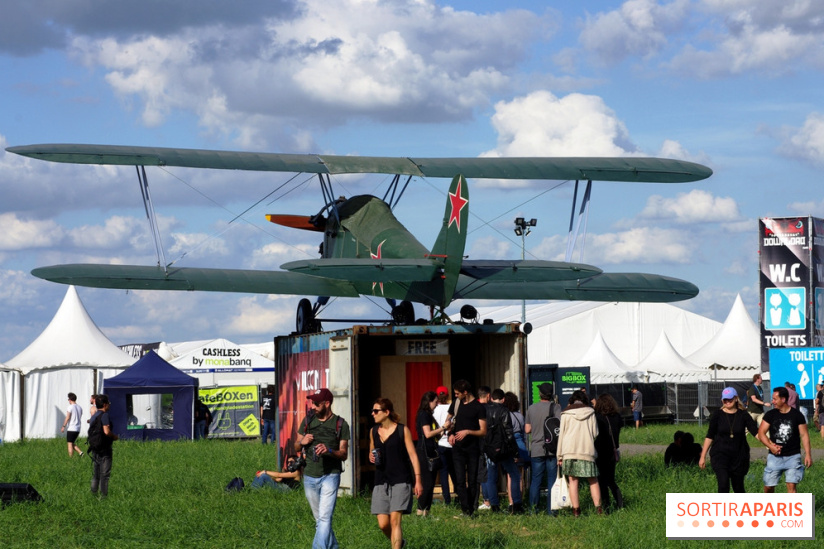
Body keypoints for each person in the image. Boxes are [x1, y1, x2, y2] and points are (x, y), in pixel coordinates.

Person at [295, 388, 350, 549]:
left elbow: (344, 454)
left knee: (325, 518)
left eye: (316, 403)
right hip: (310, 476)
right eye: (312, 403)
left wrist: (330, 451)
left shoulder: (341, 424)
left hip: (330, 476)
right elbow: (296, 445)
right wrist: (302, 442)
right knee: (320, 520)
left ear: (327, 404)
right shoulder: (307, 421)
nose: (312, 406)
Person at [369, 398, 423, 549]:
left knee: (395, 521)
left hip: (401, 479)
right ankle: (401, 543)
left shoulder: (402, 430)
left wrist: (417, 480)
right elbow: (371, 450)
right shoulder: (373, 431)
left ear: (386, 412)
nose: (372, 414)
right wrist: (370, 456)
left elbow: (413, 455)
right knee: (383, 524)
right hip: (380, 481)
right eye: (372, 411)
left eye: (376, 411)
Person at [698, 387, 759, 493]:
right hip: (720, 455)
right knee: (723, 484)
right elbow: (710, 436)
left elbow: (756, 433)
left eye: (730, 399)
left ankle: (740, 509)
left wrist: (771, 444)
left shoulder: (743, 415)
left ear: (736, 399)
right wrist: (703, 456)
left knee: (738, 488)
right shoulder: (717, 415)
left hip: (739, 456)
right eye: (725, 399)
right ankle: (723, 509)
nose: (727, 402)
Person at [756, 386, 813, 493]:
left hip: (793, 456)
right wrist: (770, 446)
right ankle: (769, 507)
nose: (772, 402)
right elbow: (761, 433)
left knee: (791, 486)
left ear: (783, 399)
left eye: (775, 399)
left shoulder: (797, 415)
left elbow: (804, 435)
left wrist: (808, 454)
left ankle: (791, 509)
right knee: (768, 486)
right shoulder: (770, 415)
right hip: (774, 457)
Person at [444, 379, 487, 518]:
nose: (455, 396)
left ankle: (473, 509)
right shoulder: (456, 404)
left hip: (473, 448)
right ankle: (465, 509)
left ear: (465, 392)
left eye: (457, 394)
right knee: (460, 480)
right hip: (458, 448)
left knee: (473, 480)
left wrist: (468, 432)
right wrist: (449, 433)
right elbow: (448, 420)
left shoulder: (478, 407)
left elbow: (483, 431)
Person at [557, 390, 602, 517]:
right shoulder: (591, 412)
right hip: (587, 451)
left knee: (573, 481)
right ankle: (599, 509)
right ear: (585, 400)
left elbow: (561, 436)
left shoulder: (565, 413)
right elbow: (595, 433)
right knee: (593, 480)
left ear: (571, 400)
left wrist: (559, 456)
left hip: (569, 451)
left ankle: (576, 511)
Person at [482, 389, 523, 514]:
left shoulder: (484, 410)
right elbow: (509, 433)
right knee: (515, 475)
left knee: (491, 477)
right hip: (503, 449)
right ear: (503, 399)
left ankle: (494, 506)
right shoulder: (504, 410)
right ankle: (516, 505)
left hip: (489, 448)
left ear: (491, 398)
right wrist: (515, 452)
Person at [524, 382, 561, 514]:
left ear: (540, 394)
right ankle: (552, 511)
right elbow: (558, 428)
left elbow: (527, 429)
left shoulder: (531, 408)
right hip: (552, 449)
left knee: (536, 481)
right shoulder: (556, 408)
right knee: (552, 480)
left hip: (536, 449)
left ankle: (533, 510)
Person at [415, 391, 450, 516]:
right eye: (435, 402)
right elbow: (428, 433)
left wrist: (445, 429)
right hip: (425, 452)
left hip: (431, 449)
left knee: (430, 483)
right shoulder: (424, 415)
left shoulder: (429, 415)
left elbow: (434, 436)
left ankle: (426, 512)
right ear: (429, 402)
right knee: (428, 483)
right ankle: (420, 511)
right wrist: (443, 428)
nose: (436, 405)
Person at [594, 394, 623, 509]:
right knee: (611, 480)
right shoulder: (617, 416)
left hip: (601, 451)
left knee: (601, 480)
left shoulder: (598, 417)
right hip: (613, 450)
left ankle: (606, 506)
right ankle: (620, 504)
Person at [89, 394, 118, 497]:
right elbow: (106, 431)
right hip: (104, 448)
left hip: (95, 448)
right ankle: (103, 497)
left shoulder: (94, 416)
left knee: (96, 474)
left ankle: (93, 495)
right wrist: (114, 436)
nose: (109, 405)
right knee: (104, 475)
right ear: (105, 405)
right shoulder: (104, 415)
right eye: (108, 403)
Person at [432, 386, 456, 505]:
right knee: (455, 472)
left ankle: (447, 500)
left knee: (443, 473)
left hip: (440, 443)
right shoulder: (451, 408)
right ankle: (459, 496)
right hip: (452, 443)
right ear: (447, 396)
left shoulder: (434, 410)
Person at [61, 392, 84, 457]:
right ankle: (80, 453)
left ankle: (70, 458)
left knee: (69, 443)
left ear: (70, 399)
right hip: (78, 428)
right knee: (71, 442)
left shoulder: (70, 407)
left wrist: (63, 426)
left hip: (72, 428)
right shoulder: (80, 407)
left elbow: (67, 417)